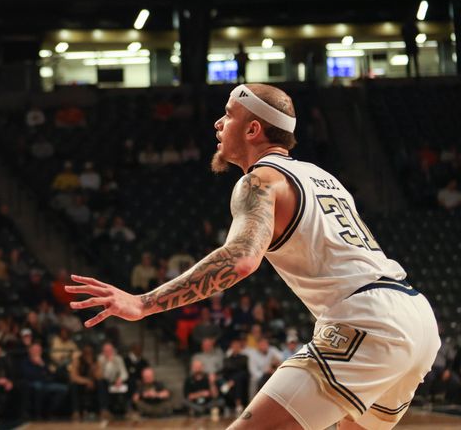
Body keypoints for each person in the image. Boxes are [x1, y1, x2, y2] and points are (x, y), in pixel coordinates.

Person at [67, 83, 441, 429]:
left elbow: (241, 259)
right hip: (416, 317)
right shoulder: (321, 176)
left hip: (368, 321)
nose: (218, 122)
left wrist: (143, 303)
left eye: (228, 113)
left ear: (252, 130)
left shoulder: (259, 180)